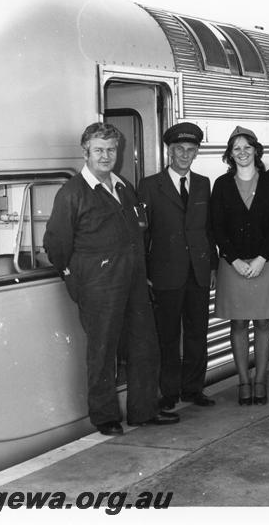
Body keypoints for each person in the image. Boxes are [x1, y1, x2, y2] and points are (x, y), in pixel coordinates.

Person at [43, 122, 179, 436]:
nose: (106, 156)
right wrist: (75, 278)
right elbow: (55, 246)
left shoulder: (123, 187)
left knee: (145, 345)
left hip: (133, 283)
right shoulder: (72, 193)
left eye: (111, 149)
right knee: (102, 351)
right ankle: (105, 418)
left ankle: (143, 411)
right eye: (99, 150)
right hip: (98, 286)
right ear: (86, 152)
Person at [138, 122, 218, 410]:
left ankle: (194, 388)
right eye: (179, 149)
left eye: (191, 150)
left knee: (198, 333)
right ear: (169, 152)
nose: (185, 155)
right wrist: (146, 273)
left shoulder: (202, 184)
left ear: (196, 153)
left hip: (197, 272)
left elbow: (208, 230)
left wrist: (212, 267)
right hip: (165, 274)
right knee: (168, 336)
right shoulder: (149, 186)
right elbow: (142, 234)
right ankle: (169, 391)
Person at [210, 126, 269, 406]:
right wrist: (234, 260)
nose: (242, 153)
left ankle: (261, 380)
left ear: (256, 150)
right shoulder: (221, 184)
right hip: (234, 266)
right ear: (230, 154)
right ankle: (244, 381)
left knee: (264, 322)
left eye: (247, 147)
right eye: (236, 149)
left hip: (265, 263)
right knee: (239, 323)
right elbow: (216, 227)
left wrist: (261, 258)